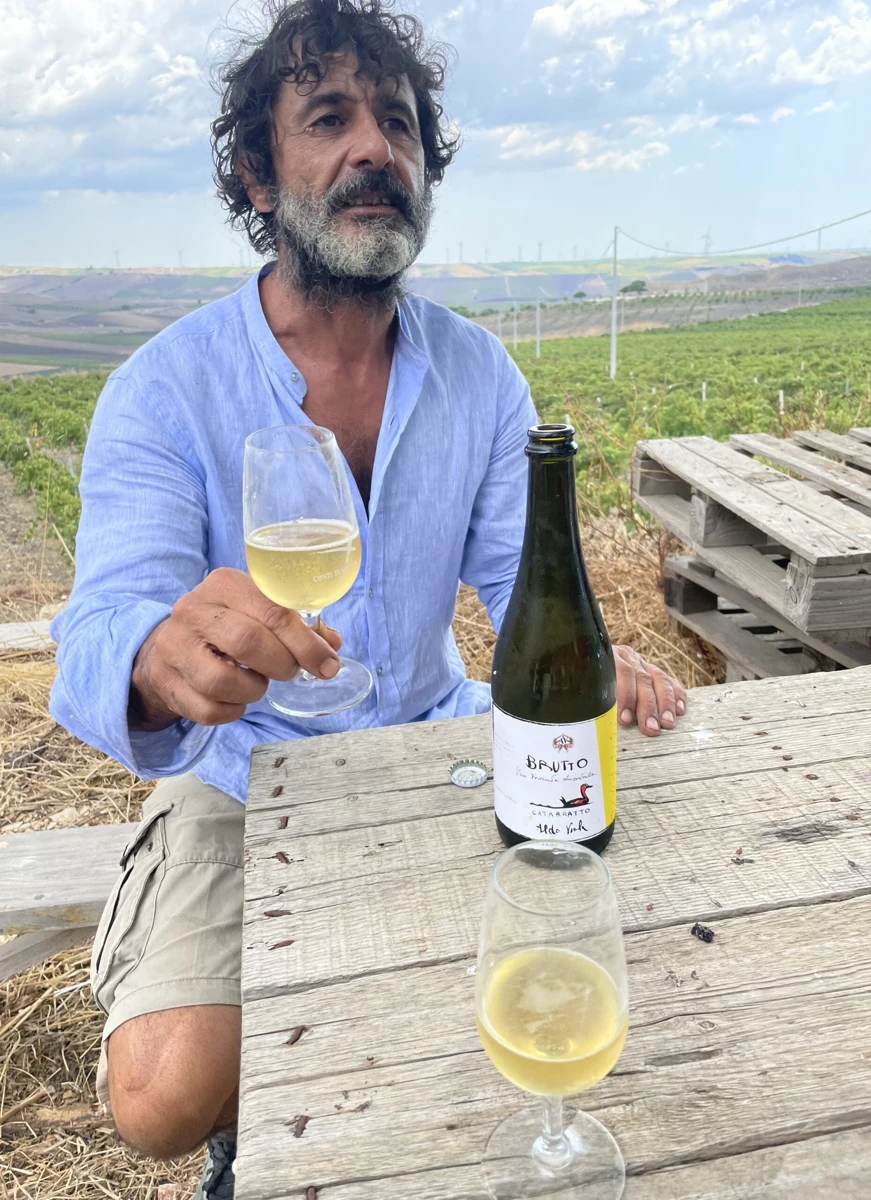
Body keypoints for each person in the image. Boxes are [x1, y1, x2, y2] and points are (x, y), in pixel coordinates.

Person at [50, 2, 687, 1195]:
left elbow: (525, 583)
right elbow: (98, 623)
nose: (374, 149)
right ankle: (260, 1131)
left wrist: (600, 660)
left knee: (623, 941)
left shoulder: (479, 374)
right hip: (242, 771)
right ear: (257, 173)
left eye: (397, 123)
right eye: (328, 118)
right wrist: (156, 657)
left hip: (433, 739)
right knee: (160, 1099)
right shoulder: (162, 389)